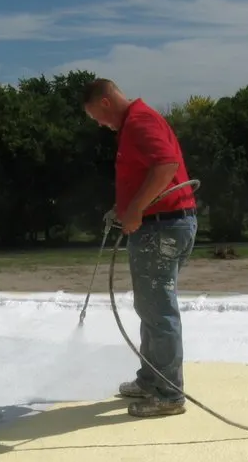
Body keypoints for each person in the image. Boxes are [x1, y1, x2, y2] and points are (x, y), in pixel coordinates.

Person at [81, 79, 198, 418]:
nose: (100, 125)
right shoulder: (138, 121)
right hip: (163, 224)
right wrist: (126, 207)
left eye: (96, 117)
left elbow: (166, 167)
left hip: (161, 227)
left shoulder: (139, 122)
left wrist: (134, 210)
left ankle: (168, 394)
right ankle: (152, 379)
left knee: (159, 309)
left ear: (105, 102)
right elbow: (152, 171)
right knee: (151, 307)